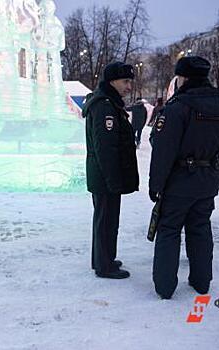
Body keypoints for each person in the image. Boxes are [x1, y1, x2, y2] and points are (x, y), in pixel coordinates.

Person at [149, 56, 219, 299]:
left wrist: (155, 185)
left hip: (178, 183)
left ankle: (165, 287)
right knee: (200, 228)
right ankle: (201, 282)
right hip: (207, 182)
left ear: (183, 78)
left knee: (168, 230)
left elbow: (163, 151)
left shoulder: (177, 108)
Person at [82, 62, 139, 279]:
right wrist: (113, 179)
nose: (129, 86)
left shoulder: (109, 104)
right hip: (105, 177)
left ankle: (104, 258)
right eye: (125, 81)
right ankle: (104, 265)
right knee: (106, 220)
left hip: (106, 176)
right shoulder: (105, 106)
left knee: (107, 219)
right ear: (112, 81)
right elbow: (105, 148)